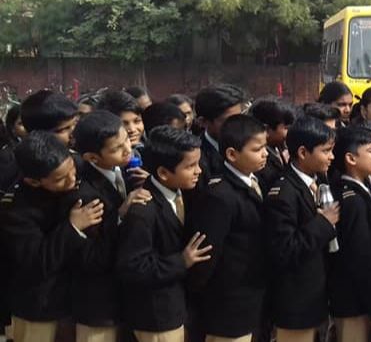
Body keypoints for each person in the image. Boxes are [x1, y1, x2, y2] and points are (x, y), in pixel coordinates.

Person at [0, 132, 103, 342]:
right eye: (60, 179)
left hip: (77, 299)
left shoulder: (72, 164)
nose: (72, 179)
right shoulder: (16, 209)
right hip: (38, 304)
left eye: (72, 170)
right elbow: (36, 262)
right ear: (34, 181)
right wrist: (73, 226)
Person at [116, 126, 212, 342]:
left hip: (178, 306)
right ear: (163, 173)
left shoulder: (183, 192)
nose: (198, 171)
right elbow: (133, 267)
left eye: (198, 163)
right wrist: (181, 261)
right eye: (190, 166)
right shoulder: (143, 210)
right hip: (155, 315)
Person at [72, 111, 153, 342]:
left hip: (128, 299)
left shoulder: (128, 170)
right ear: (92, 158)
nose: (128, 149)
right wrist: (120, 214)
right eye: (117, 148)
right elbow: (90, 257)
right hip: (99, 303)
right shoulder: (85, 193)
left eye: (126, 139)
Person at [188, 114, 268, 341]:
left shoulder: (255, 180)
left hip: (252, 298)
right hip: (227, 304)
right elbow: (206, 255)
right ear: (232, 154)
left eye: (265, 147)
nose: (264, 154)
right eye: (256, 149)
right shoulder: (220, 196)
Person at [264, 117, 340, 342]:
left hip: (316, 298)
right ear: (303, 152)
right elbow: (284, 250)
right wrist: (324, 224)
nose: (331, 157)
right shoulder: (284, 192)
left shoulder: (316, 182)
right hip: (295, 304)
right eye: (326, 151)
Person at [328, 127, 371, 342]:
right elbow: (361, 256)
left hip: (356, 299)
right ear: (351, 158)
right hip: (354, 303)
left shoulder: (357, 190)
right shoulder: (352, 200)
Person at [193, 84, 246, 196]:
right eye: (228, 120)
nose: (238, 124)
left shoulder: (249, 145)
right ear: (204, 122)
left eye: (240, 117)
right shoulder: (197, 160)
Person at [97, 90, 150, 189]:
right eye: (124, 123)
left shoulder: (141, 152)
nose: (133, 129)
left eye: (137, 121)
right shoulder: (104, 162)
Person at [249, 98, 296, 187]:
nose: (290, 133)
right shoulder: (260, 160)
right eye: (286, 128)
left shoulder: (281, 148)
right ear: (267, 129)